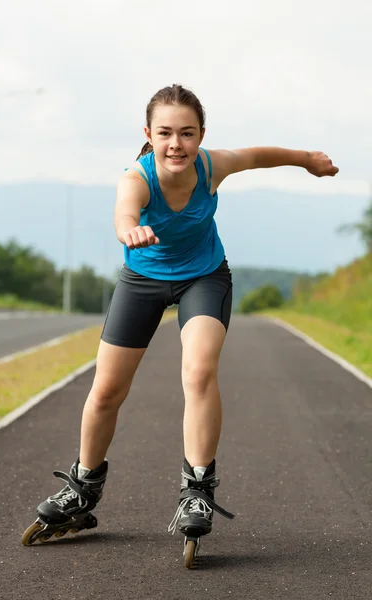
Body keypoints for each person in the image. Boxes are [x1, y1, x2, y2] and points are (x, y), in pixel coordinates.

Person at [23, 84, 339, 546]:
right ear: (149, 135)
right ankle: (82, 488)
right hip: (142, 280)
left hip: (204, 278)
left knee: (199, 371)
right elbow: (123, 215)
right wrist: (130, 231)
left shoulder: (213, 165)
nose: (177, 144)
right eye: (166, 133)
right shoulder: (137, 177)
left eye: (187, 134)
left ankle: (197, 490)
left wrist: (308, 158)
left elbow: (257, 155)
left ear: (201, 135)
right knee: (107, 389)